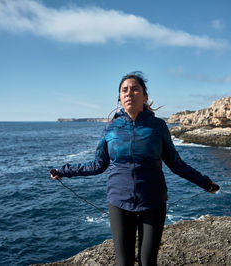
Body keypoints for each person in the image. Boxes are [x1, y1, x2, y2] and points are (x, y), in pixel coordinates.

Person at [50, 71, 219, 266]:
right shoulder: (111, 128)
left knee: (148, 261)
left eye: (135, 89)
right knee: (124, 262)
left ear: (145, 96)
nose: (129, 93)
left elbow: (175, 163)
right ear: (120, 98)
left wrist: (205, 183)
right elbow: (98, 165)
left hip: (153, 201)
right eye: (125, 90)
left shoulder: (157, 126)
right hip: (118, 202)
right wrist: (64, 171)